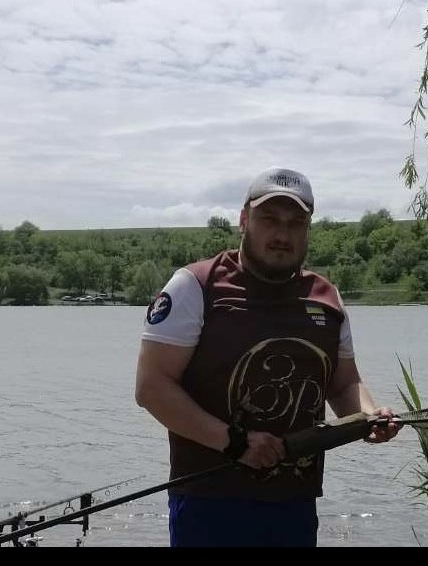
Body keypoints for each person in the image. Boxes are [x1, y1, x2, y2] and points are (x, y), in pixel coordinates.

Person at [134, 166, 402, 547]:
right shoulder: (195, 286)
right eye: (270, 219)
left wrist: (369, 417)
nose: (282, 234)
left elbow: (343, 384)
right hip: (208, 505)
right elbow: (152, 387)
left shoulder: (327, 299)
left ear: (308, 229)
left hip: (295, 506)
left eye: (295, 223)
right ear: (244, 220)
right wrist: (235, 442)